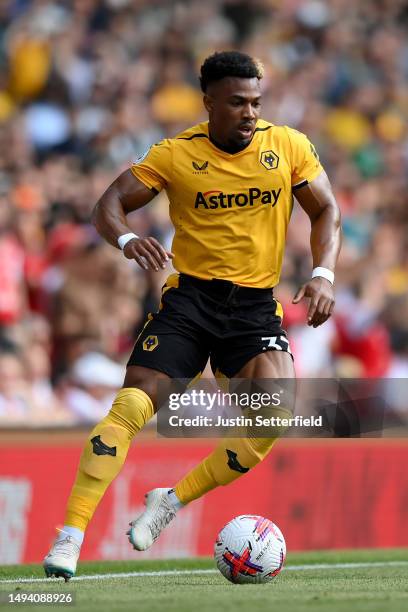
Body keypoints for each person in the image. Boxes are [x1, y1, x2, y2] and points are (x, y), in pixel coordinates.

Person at [44, 51, 341, 580]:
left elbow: (326, 209)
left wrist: (324, 273)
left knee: (273, 418)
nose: (250, 113)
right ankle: (69, 536)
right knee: (132, 406)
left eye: (256, 102)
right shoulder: (177, 155)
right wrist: (130, 238)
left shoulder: (287, 146)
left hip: (254, 310)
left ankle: (170, 501)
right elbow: (107, 205)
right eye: (237, 102)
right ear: (209, 103)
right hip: (190, 304)